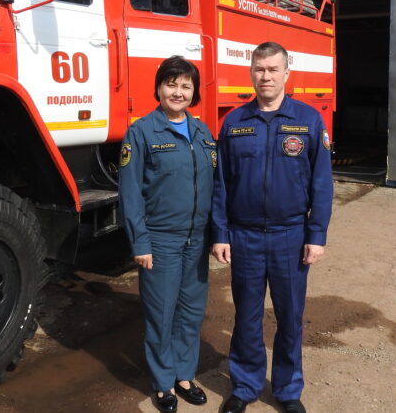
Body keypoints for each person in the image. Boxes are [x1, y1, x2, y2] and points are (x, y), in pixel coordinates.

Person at [211, 42, 333, 413]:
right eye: (259, 69)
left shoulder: (309, 120)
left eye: (273, 69)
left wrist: (316, 235)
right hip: (245, 236)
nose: (266, 76)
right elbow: (222, 184)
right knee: (246, 315)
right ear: (251, 72)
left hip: (291, 237)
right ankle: (245, 387)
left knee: (290, 317)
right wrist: (220, 233)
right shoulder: (234, 122)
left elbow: (322, 183)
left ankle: (287, 390)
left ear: (286, 73)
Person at [118, 56, 216, 413]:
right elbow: (130, 194)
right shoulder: (142, 132)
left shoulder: (204, 133)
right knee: (161, 313)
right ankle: (163, 382)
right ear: (158, 88)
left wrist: (219, 235)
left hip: (198, 239)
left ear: (194, 92)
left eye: (185, 86)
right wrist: (140, 242)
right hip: (161, 240)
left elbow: (215, 187)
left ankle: (185, 375)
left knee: (191, 312)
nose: (178, 92)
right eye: (171, 84)